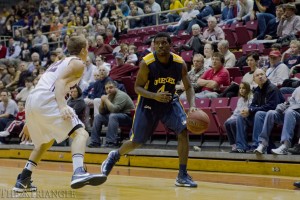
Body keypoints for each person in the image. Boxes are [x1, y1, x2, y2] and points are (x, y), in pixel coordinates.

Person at [101, 32, 198, 187]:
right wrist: (154, 96)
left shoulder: (180, 63)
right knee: (137, 142)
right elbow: (137, 87)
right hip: (148, 103)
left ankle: (182, 174)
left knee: (183, 130)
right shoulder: (147, 62)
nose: (160, 46)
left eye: (164, 43)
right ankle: (115, 155)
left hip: (169, 102)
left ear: (170, 44)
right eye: (157, 43)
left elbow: (189, 87)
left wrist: (192, 105)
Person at [12, 36, 106, 193]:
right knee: (81, 133)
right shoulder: (78, 63)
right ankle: (78, 172)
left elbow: (45, 84)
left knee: (45, 142)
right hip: (48, 100)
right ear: (83, 50)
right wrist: (63, 106)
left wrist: (32, 120)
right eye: (88, 47)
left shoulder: (60, 61)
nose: (89, 50)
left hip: (34, 100)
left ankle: (23, 178)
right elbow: (59, 83)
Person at [88, 81, 134, 148]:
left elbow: (114, 110)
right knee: (98, 117)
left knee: (113, 116)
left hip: (128, 117)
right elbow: (102, 112)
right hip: (115, 116)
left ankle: (111, 142)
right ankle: (95, 142)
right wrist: (102, 102)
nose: (108, 90)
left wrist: (106, 100)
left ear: (116, 87)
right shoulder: (109, 96)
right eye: (106, 88)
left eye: (111, 87)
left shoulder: (121, 95)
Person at [224, 82, 252, 152]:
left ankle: (242, 145)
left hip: (248, 119)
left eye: (244, 88)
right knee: (227, 123)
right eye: (240, 88)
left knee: (233, 123)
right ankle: (234, 145)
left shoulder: (251, 98)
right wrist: (229, 119)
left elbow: (247, 112)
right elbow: (236, 112)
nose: (241, 90)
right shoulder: (240, 100)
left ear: (248, 89)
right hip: (239, 117)